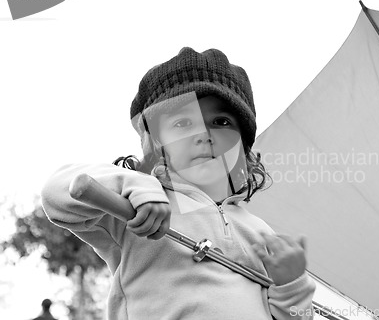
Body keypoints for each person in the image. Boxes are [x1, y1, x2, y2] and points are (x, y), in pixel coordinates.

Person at [41, 47, 316, 319]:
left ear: (242, 146)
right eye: (184, 123)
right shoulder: (131, 207)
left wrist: (293, 285)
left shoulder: (261, 232)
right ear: (155, 143)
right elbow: (57, 194)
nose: (204, 135)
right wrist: (137, 187)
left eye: (220, 121)